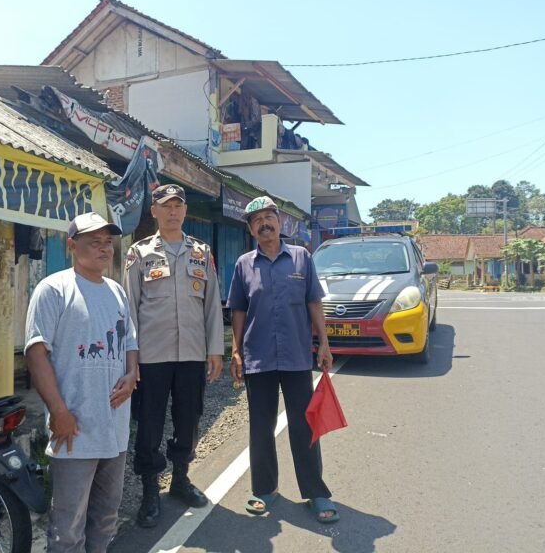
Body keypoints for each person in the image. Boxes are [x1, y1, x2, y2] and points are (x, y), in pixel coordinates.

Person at [25, 211, 139, 553]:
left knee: (106, 516)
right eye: (95, 242)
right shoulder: (54, 289)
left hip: (114, 428)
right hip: (74, 429)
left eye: (108, 243)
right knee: (68, 526)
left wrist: (132, 374)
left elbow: (130, 342)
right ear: (72, 245)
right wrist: (58, 411)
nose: (105, 249)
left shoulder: (117, 292)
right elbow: (35, 352)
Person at [226, 195, 340, 524]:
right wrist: (236, 349)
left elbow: (314, 302)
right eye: (257, 220)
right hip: (257, 357)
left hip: (296, 357)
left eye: (269, 217)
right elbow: (238, 309)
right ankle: (265, 489)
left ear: (280, 222)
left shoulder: (302, 258)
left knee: (304, 426)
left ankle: (315, 492)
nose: (264, 223)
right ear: (250, 229)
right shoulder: (244, 264)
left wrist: (324, 344)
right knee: (261, 427)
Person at [123, 183, 224, 528]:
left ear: (185, 210)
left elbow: (212, 305)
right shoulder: (138, 254)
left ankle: (180, 478)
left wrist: (215, 350)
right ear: (154, 211)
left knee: (189, 418)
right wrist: (130, 356)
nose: (173, 211)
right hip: (151, 356)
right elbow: (129, 308)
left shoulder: (201, 251)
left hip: (193, 353)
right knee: (149, 424)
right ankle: (151, 489)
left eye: (178, 205)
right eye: (166, 205)